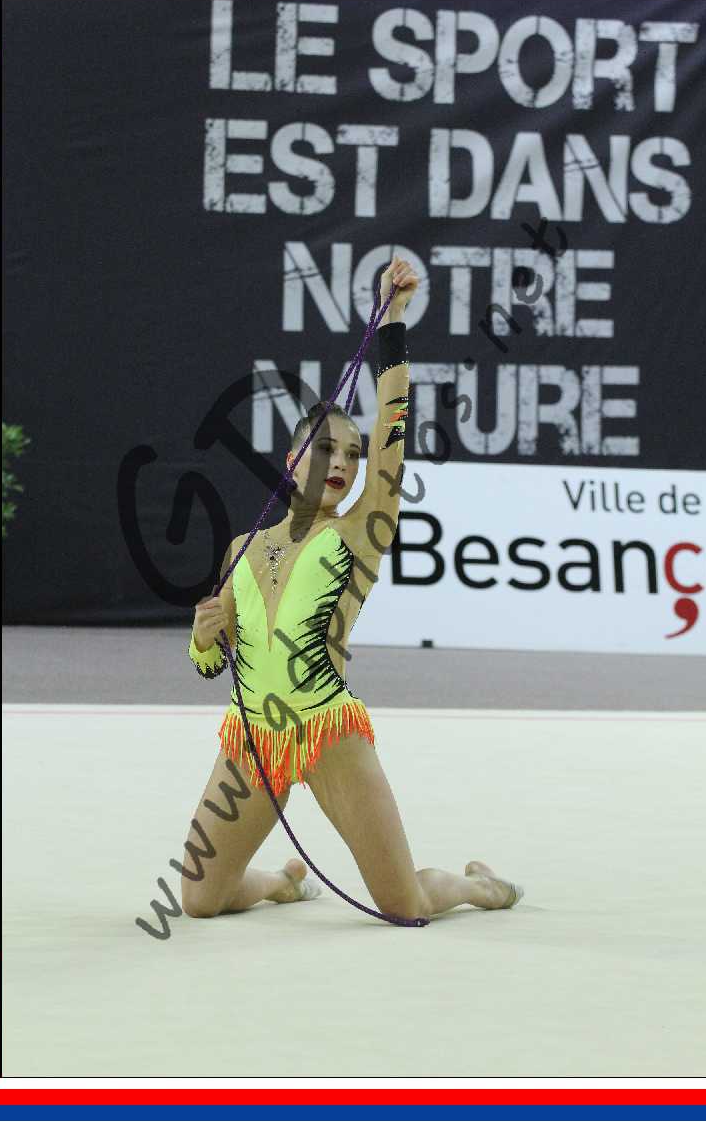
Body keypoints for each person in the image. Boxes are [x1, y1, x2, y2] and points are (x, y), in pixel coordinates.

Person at [182, 255, 523, 920]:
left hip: (327, 731)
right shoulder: (240, 549)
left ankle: (476, 886)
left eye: (350, 454)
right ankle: (280, 883)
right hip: (254, 736)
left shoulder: (358, 533)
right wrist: (201, 639)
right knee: (199, 900)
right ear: (291, 460)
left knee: (404, 906)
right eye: (324, 449)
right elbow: (214, 663)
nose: (340, 462)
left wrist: (391, 322)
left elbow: (392, 430)